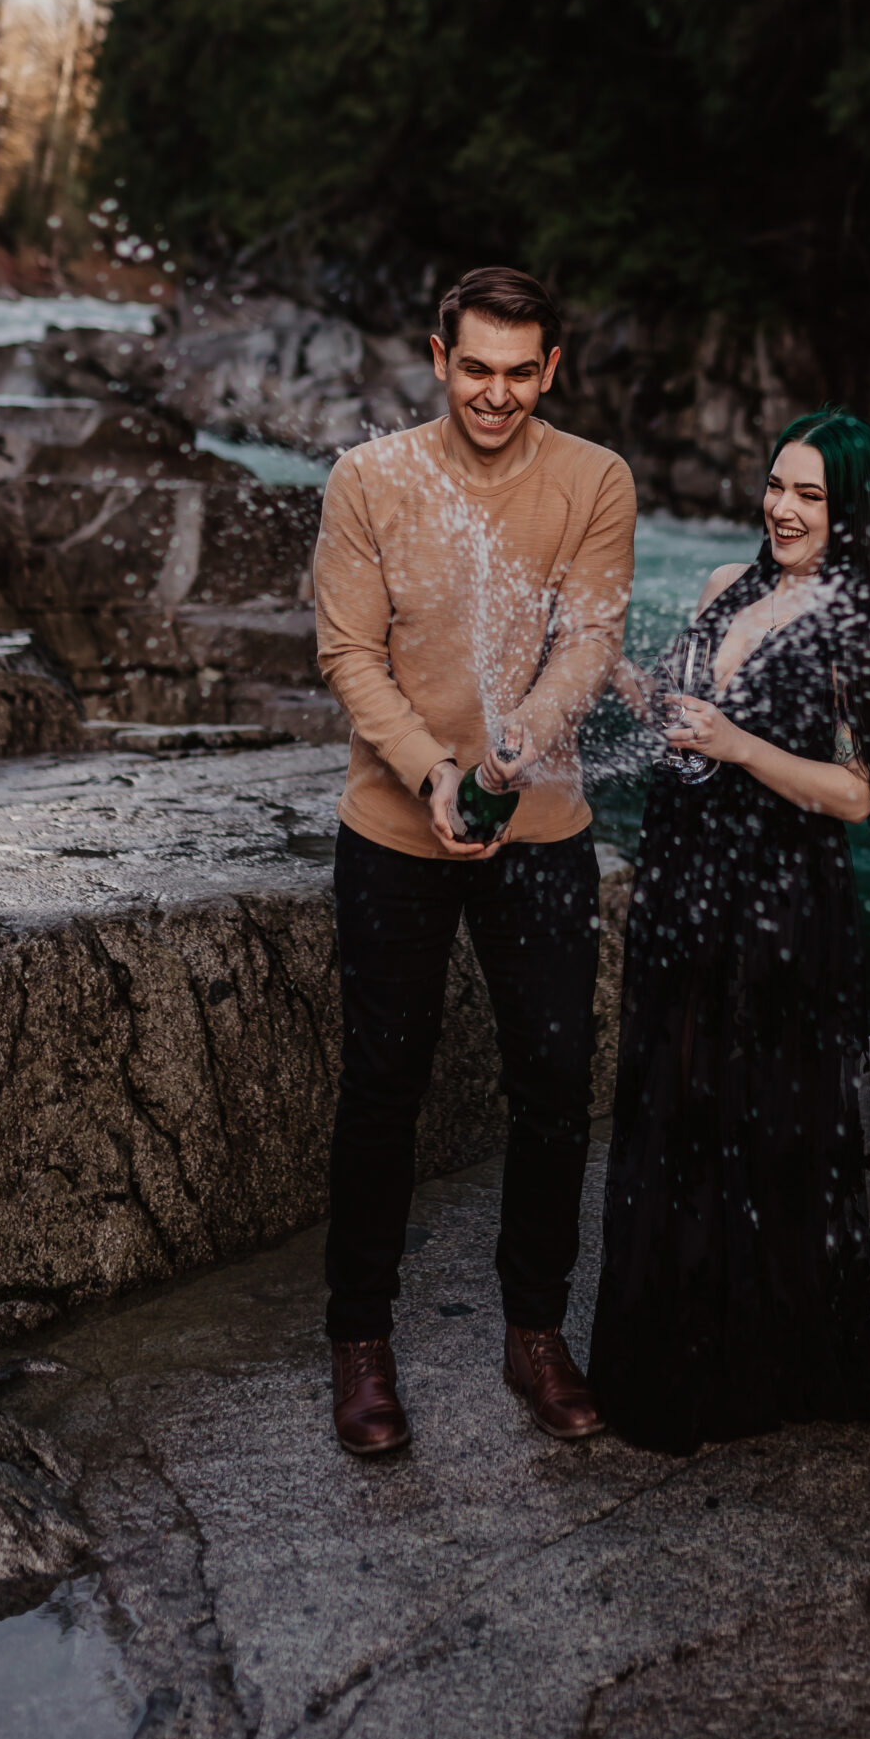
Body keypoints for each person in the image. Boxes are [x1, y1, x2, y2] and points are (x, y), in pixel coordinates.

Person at [588, 405, 870, 1453]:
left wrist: (743, 745)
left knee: (758, 1112)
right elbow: (682, 717)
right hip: (686, 878)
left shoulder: (860, 625)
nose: (783, 509)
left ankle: (751, 1352)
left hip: (780, 900)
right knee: (679, 1099)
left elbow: (856, 794)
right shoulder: (725, 586)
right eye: (777, 485)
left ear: (854, 514)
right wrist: (611, 668)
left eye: (812, 496)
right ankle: (668, 1336)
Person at [313, 265, 637, 1456]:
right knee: (380, 1090)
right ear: (438, 357)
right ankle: (361, 1341)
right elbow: (349, 654)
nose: (495, 394)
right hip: (392, 830)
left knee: (554, 1086)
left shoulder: (596, 480)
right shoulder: (370, 479)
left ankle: (535, 1332)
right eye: (475, 368)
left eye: (520, 372)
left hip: (541, 828)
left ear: (551, 369)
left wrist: (512, 750)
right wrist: (433, 772)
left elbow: (592, 638)